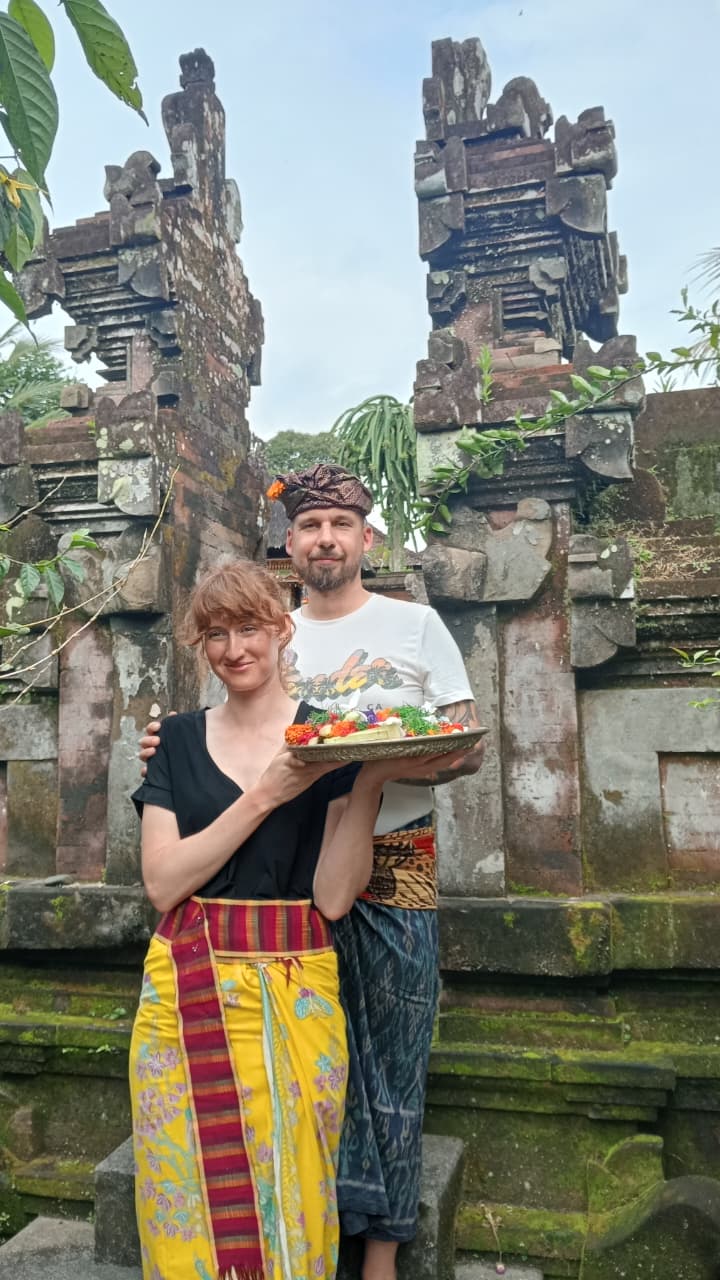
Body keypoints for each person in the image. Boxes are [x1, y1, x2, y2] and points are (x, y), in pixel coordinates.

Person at [140, 467, 484, 1280]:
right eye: (309, 526)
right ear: (288, 545)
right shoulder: (262, 625)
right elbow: (209, 747)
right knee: (312, 1072)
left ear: (367, 537)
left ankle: (380, 1253)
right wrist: (165, 750)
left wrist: (376, 767)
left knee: (387, 1058)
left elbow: (464, 743)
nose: (324, 538)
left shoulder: (414, 624)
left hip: (388, 847)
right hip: (267, 863)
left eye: (340, 523)